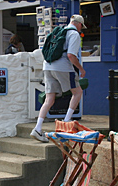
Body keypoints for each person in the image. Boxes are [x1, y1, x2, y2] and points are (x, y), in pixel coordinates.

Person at [30, 14, 86, 142]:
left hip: (48, 66)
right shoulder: (74, 34)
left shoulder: (59, 32)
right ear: (79, 24)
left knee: (49, 99)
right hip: (63, 67)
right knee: (77, 92)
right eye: (81, 26)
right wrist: (81, 69)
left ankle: (37, 128)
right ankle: (67, 121)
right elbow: (71, 55)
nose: (81, 29)